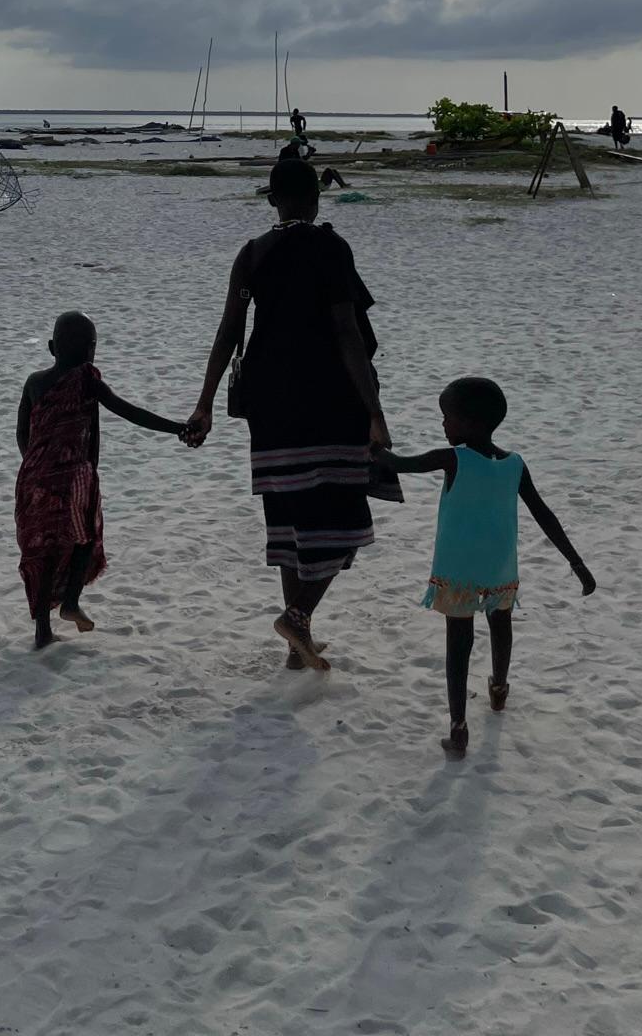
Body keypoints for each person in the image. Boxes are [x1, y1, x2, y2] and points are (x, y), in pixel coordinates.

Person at [185, 158, 399, 672]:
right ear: (318, 198)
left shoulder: (252, 253)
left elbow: (229, 331)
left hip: (270, 402)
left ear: (271, 199)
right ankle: (298, 616)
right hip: (329, 398)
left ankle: (295, 647)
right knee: (346, 519)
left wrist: (205, 402)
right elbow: (348, 333)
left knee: (288, 524)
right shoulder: (330, 247)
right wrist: (375, 411)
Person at [378, 376, 595, 758]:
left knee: (458, 642)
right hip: (499, 567)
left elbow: (400, 465)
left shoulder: (453, 458)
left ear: (471, 423)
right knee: (501, 625)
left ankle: (458, 726)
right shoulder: (514, 464)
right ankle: (499, 690)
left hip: (458, 569)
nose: (444, 424)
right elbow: (543, 513)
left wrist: (372, 448)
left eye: (449, 417)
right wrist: (576, 562)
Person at [16, 311, 188, 649]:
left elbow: (22, 434)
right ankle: (70, 602)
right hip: (76, 477)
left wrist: (38, 467)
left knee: (44, 550)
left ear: (52, 347)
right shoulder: (87, 380)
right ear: (92, 351)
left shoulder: (34, 383)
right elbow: (129, 411)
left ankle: (42, 630)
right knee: (85, 537)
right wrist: (177, 427)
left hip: (33, 479)